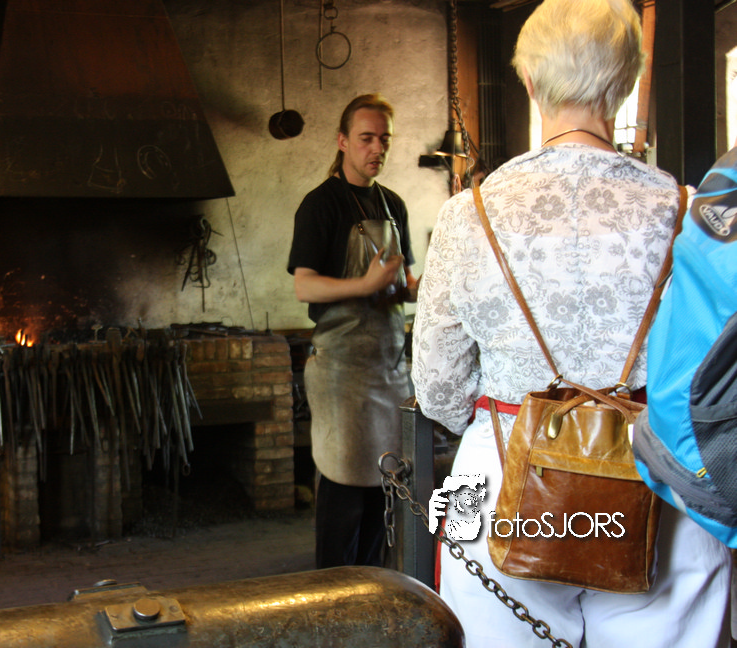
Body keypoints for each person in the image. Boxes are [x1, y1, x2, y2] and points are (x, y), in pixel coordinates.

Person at [410, 1, 731, 646]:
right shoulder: (689, 212)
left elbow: (439, 392)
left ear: (530, 81)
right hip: (662, 486)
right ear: (628, 82)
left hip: (500, 482)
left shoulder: (466, 215)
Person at [287, 93, 417, 568]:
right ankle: (334, 592)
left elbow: (400, 286)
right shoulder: (320, 205)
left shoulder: (393, 205)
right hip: (342, 372)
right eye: (366, 139)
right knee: (344, 493)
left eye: (384, 139)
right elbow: (304, 286)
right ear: (343, 141)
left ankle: (373, 587)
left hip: (387, 368)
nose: (376, 148)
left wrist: (431, 287)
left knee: (384, 489)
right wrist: (364, 285)